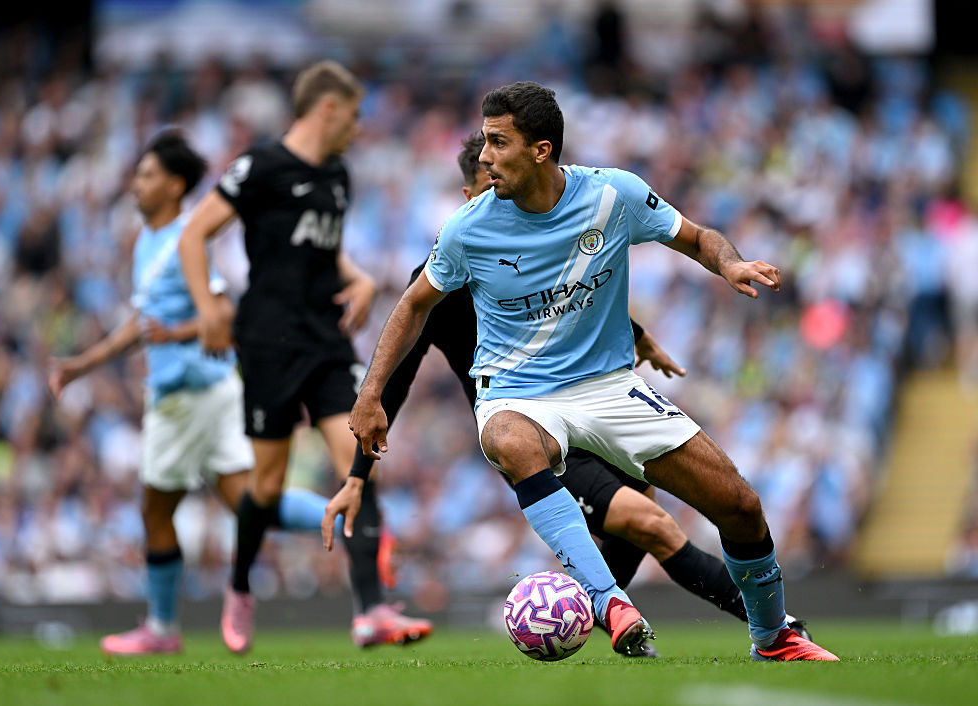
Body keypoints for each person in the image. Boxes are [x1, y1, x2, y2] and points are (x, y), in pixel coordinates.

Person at [337, 82, 838, 661]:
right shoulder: (467, 229)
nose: (483, 156)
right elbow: (412, 305)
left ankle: (774, 636)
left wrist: (729, 263)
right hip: (518, 394)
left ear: (541, 149)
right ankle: (606, 601)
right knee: (510, 440)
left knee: (740, 505)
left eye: (498, 142)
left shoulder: (612, 194)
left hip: (608, 388)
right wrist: (370, 395)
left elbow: (696, 238)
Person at [49, 131, 341, 656]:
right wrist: (82, 365)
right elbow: (143, 324)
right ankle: (352, 520)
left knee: (155, 512)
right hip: (211, 392)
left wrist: (177, 334)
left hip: (185, 396)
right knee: (253, 504)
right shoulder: (148, 242)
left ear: (175, 184)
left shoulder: (185, 236)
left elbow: (223, 314)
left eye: (147, 175)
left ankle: (161, 629)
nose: (136, 185)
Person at [177, 60, 431, 653]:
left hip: (324, 341)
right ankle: (239, 587)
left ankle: (371, 610)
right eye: (355, 115)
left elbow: (321, 249)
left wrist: (359, 278)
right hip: (266, 342)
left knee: (360, 455)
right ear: (328, 108)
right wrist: (210, 308)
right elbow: (195, 234)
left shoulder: (338, 175)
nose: (359, 127)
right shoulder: (261, 166)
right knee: (264, 485)